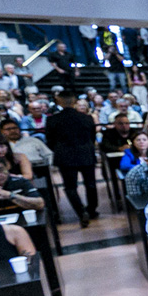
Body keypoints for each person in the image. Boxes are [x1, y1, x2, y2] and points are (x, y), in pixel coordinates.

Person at [46, 90, 98, 227]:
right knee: (91, 184)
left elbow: (50, 141)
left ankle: (81, 212)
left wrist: (59, 150)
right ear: (74, 101)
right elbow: (92, 137)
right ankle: (92, 210)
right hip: (85, 153)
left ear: (59, 101)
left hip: (65, 156)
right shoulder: (86, 118)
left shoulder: (52, 119)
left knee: (70, 187)